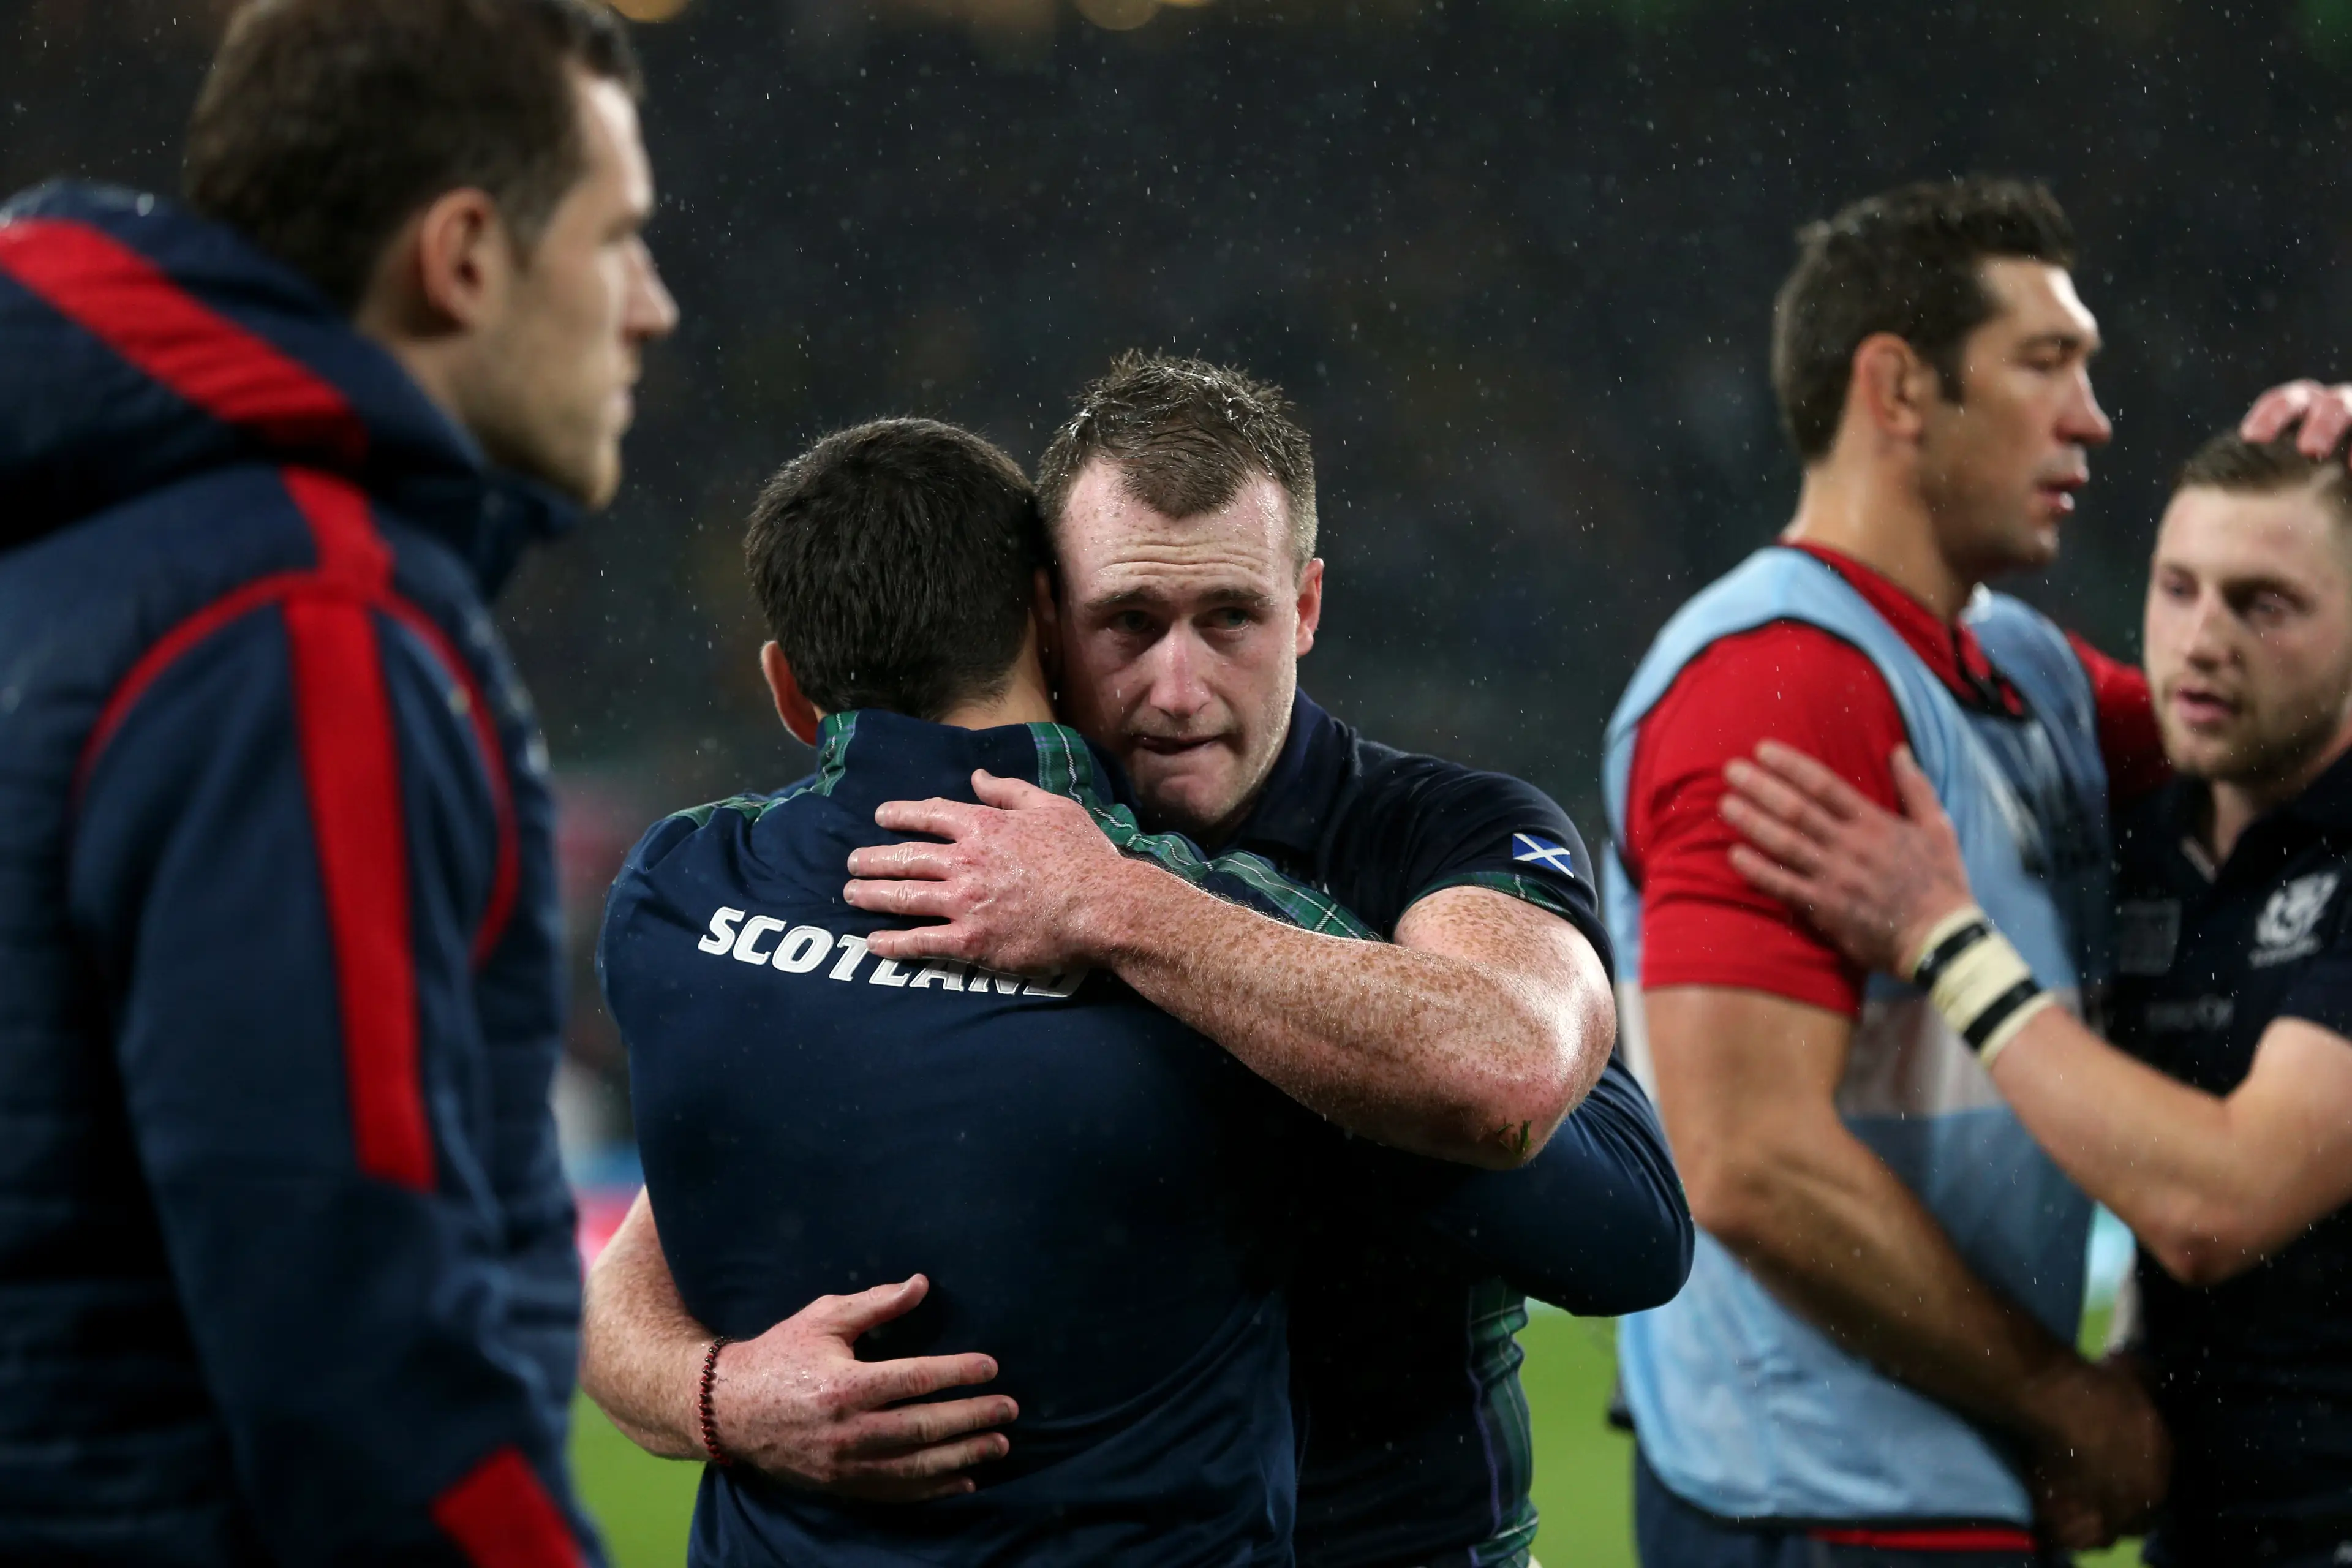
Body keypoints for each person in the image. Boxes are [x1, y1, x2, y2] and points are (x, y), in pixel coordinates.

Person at [582, 355, 1675, 1567]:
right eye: (1130, 623)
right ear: (1047, 618)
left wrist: (1127, 911)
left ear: (1303, 607)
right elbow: (651, 1254)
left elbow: (1628, 1228)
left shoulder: (1436, 833)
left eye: (1230, 619)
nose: (1177, 685)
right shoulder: (949, 858)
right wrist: (723, 1393)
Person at [0, 0, 676, 1559]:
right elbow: (362, 1367)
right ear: (461, 257)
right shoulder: (302, 622)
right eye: (618, 238)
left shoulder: (74, 573)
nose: (652, 305)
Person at [1598, 176, 2171, 1566]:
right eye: (2048, 363)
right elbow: (1752, 1165)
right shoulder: (1776, 683)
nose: (2093, 415)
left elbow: (2289, 757)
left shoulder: (2025, 669)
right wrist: (2063, 1396)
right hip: (1822, 1496)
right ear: (1899, 387)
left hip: (1947, 1469)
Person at [1717, 427, 2352, 1568]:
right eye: (2179, 588)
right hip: (2204, 1532)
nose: (2202, 641)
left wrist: (1947, 942)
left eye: (2266, 605)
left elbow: (2219, 1206)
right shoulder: (2150, 843)